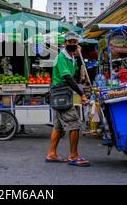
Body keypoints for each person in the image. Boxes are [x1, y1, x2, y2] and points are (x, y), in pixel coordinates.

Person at [46, 31, 90, 167]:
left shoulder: (71, 57)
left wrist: (77, 56)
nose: (72, 44)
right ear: (65, 43)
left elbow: (76, 75)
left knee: (58, 127)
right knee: (75, 124)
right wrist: (81, 93)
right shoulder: (61, 57)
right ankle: (73, 156)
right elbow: (68, 78)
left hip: (62, 93)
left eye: (74, 42)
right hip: (61, 93)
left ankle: (51, 154)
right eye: (70, 42)